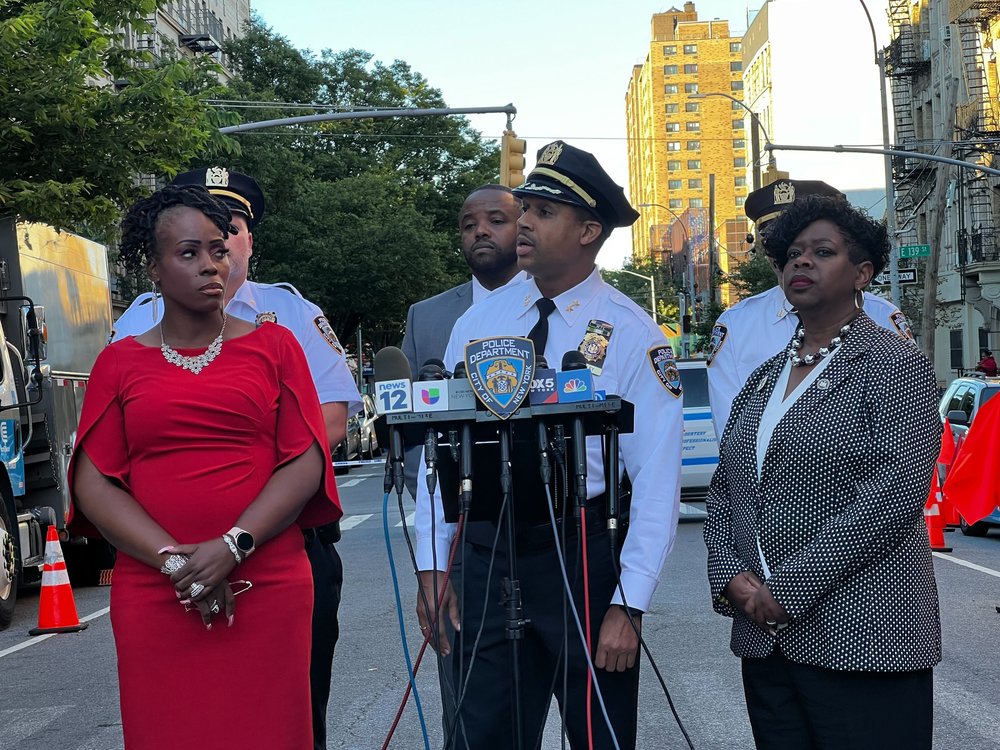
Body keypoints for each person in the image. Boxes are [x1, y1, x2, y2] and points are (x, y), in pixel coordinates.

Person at [414, 141, 684, 749]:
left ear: (590, 230)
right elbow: (443, 454)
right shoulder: (480, 322)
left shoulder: (632, 333)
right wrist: (435, 565)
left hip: (581, 550)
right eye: (526, 208)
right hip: (484, 548)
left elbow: (657, 483)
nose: (526, 222)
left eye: (544, 212)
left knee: (597, 735)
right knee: (480, 733)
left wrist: (629, 604)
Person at [70, 185, 342, 749]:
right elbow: (95, 481)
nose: (210, 266)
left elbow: (304, 458)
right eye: (188, 253)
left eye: (218, 251)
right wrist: (176, 563)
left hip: (265, 581)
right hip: (155, 590)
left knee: (271, 733)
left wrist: (233, 545)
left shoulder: (277, 345)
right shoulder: (119, 362)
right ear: (153, 267)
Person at [703, 195, 942, 749]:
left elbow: (896, 492)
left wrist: (787, 588)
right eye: (792, 253)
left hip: (864, 634)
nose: (800, 263)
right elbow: (727, 490)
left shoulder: (894, 362)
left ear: (862, 273)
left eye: (822, 252)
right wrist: (731, 578)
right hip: (766, 639)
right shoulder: (765, 376)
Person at [706, 178, 913, 438]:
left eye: (821, 249)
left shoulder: (883, 318)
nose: (800, 259)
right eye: (776, 239)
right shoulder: (736, 325)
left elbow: (902, 440)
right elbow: (731, 435)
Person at [402, 183, 525, 498]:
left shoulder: (552, 304)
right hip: (455, 509)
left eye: (496, 221)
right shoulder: (425, 317)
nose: (480, 231)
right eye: (469, 226)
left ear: (524, 228)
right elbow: (411, 424)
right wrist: (431, 492)